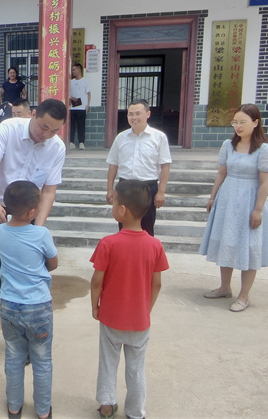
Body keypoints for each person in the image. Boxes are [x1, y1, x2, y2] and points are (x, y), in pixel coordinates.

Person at [0, 98, 67, 367]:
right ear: (33, 114)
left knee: (26, 280)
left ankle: (23, 341)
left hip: (29, 217)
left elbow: (49, 190)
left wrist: (38, 228)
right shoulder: (9, 129)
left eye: (54, 130)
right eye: (44, 126)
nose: (46, 134)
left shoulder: (56, 147)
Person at [90, 179, 169, 419]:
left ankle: (107, 404)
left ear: (122, 210)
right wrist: (146, 309)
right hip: (139, 320)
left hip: (111, 316)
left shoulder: (108, 243)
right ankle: (135, 411)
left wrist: (95, 306)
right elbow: (157, 284)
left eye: (114, 202)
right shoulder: (155, 245)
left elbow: (96, 281)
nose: (112, 206)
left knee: (108, 361)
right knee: (136, 368)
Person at [0, 180, 58, 419]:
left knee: (14, 357)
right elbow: (53, 263)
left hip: (9, 306)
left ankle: (14, 407)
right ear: (31, 212)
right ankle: (43, 411)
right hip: (38, 307)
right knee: (42, 360)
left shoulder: (0, 232)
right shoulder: (41, 234)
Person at [200, 104, 268, 312]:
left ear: (255, 122)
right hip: (228, 198)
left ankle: (244, 296)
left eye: (243, 122)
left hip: (249, 200)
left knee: (248, 246)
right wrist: (213, 196)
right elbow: (222, 172)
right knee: (227, 240)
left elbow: (265, 183)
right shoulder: (228, 145)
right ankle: (224, 287)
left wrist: (258, 209)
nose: (238, 126)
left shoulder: (265, 149)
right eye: (235, 122)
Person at [106, 99, 172, 236]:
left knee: (147, 227)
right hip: (125, 187)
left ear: (148, 114)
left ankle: (146, 251)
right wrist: (110, 189)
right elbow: (113, 164)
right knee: (124, 227)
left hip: (147, 188)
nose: (134, 117)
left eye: (138, 113)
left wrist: (161, 191)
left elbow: (165, 165)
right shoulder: (121, 138)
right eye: (130, 114)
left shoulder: (159, 137)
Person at [69, 63, 91, 150]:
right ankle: (71, 142)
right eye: (72, 70)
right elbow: (67, 94)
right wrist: (71, 98)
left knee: (81, 125)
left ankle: (81, 142)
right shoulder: (71, 82)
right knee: (71, 126)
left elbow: (89, 93)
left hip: (82, 108)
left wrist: (88, 105)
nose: (73, 71)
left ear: (79, 70)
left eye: (74, 70)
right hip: (72, 107)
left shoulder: (85, 81)